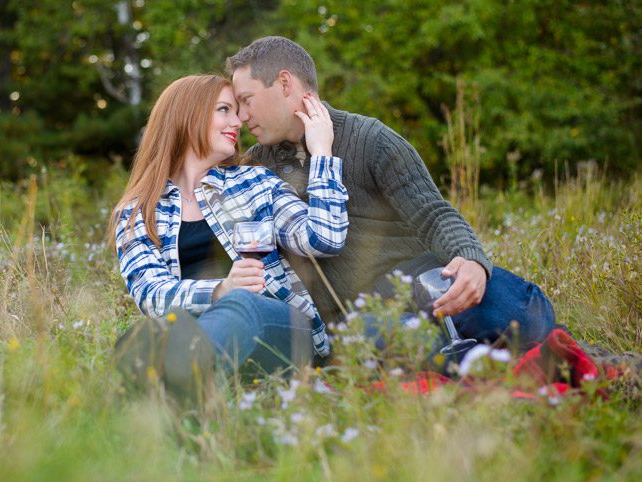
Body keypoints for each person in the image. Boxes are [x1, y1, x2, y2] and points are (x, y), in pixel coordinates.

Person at [226, 36, 556, 355]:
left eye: (246, 100)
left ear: (285, 84)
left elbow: (434, 214)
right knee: (394, 344)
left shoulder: (371, 139)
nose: (241, 117)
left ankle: (550, 348)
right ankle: (463, 361)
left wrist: (471, 259)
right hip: (362, 317)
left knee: (508, 308)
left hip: (425, 282)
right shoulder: (258, 165)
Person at [109, 74, 348, 399]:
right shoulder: (138, 212)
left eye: (236, 111)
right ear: (187, 115)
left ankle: (166, 373)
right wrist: (220, 288)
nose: (238, 121)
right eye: (224, 109)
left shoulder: (255, 182)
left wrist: (321, 153)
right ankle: (184, 386)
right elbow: (151, 295)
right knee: (216, 307)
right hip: (206, 337)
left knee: (242, 303)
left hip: (282, 330)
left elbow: (324, 237)